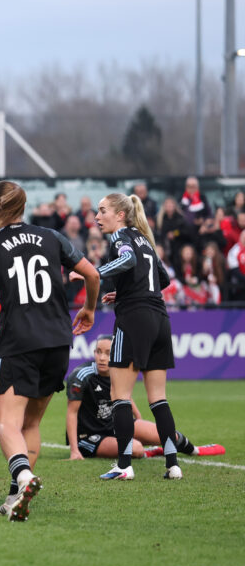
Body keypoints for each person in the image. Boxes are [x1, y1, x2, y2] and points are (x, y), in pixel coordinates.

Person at [0, 180, 99, 522]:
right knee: (31, 422)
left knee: (7, 423)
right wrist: (88, 308)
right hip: (58, 341)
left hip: (18, 343)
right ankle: (16, 496)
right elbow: (91, 273)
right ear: (24, 204)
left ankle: (25, 477)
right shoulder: (53, 237)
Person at [94, 191, 183, 481]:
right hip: (160, 318)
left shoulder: (120, 238)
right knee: (158, 399)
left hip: (133, 318)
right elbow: (164, 278)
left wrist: (94, 273)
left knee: (119, 395)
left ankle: (123, 465)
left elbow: (128, 260)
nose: (97, 216)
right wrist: (125, 291)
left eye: (103, 210)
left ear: (120, 214)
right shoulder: (145, 239)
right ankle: (173, 464)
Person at [66, 336, 224, 461]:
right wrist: (74, 450)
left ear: (116, 353)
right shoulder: (81, 376)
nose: (101, 357)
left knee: (167, 434)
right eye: (98, 351)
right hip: (91, 436)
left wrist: (138, 421)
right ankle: (149, 452)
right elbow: (72, 413)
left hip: (116, 424)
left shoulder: (118, 370)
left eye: (108, 353)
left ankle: (195, 450)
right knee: (136, 449)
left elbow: (125, 396)